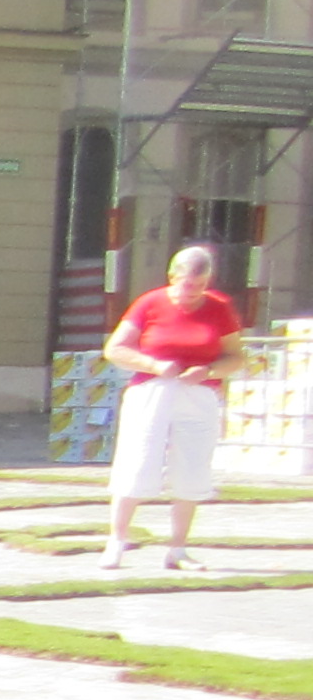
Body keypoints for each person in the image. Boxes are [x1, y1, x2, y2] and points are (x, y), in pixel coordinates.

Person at [101, 243, 241, 571]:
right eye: (186, 285)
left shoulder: (220, 307)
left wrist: (208, 371)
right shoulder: (150, 303)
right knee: (137, 460)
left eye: (201, 285)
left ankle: (178, 548)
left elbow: (235, 357)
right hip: (152, 389)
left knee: (192, 466)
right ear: (172, 277)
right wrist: (152, 364)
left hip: (199, 392)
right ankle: (116, 540)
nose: (192, 292)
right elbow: (115, 349)